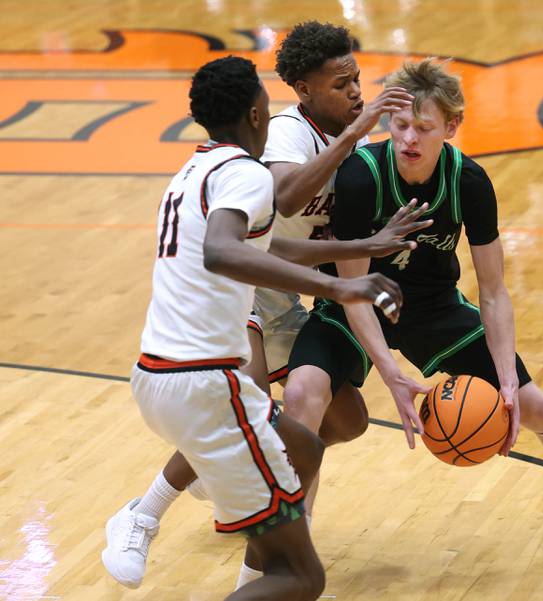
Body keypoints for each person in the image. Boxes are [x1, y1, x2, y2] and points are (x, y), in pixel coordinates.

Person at [102, 22, 426, 592]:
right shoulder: (270, 149)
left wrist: (365, 248)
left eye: (357, 80)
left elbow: (265, 239)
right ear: (272, 105)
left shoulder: (203, 166)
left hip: (243, 316)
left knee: (340, 424)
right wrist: (343, 284)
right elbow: (270, 210)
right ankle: (149, 513)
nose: (356, 92)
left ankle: (225, 474)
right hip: (233, 315)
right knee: (249, 407)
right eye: (342, 83)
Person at [298, 58, 543, 542]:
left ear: (451, 126)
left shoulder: (468, 181)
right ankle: (289, 547)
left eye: (424, 128)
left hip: (434, 307)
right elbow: (353, 291)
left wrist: (507, 380)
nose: (409, 139)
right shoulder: (362, 176)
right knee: (304, 395)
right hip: (355, 303)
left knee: (529, 404)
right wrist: (389, 370)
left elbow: (493, 291)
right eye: (400, 125)